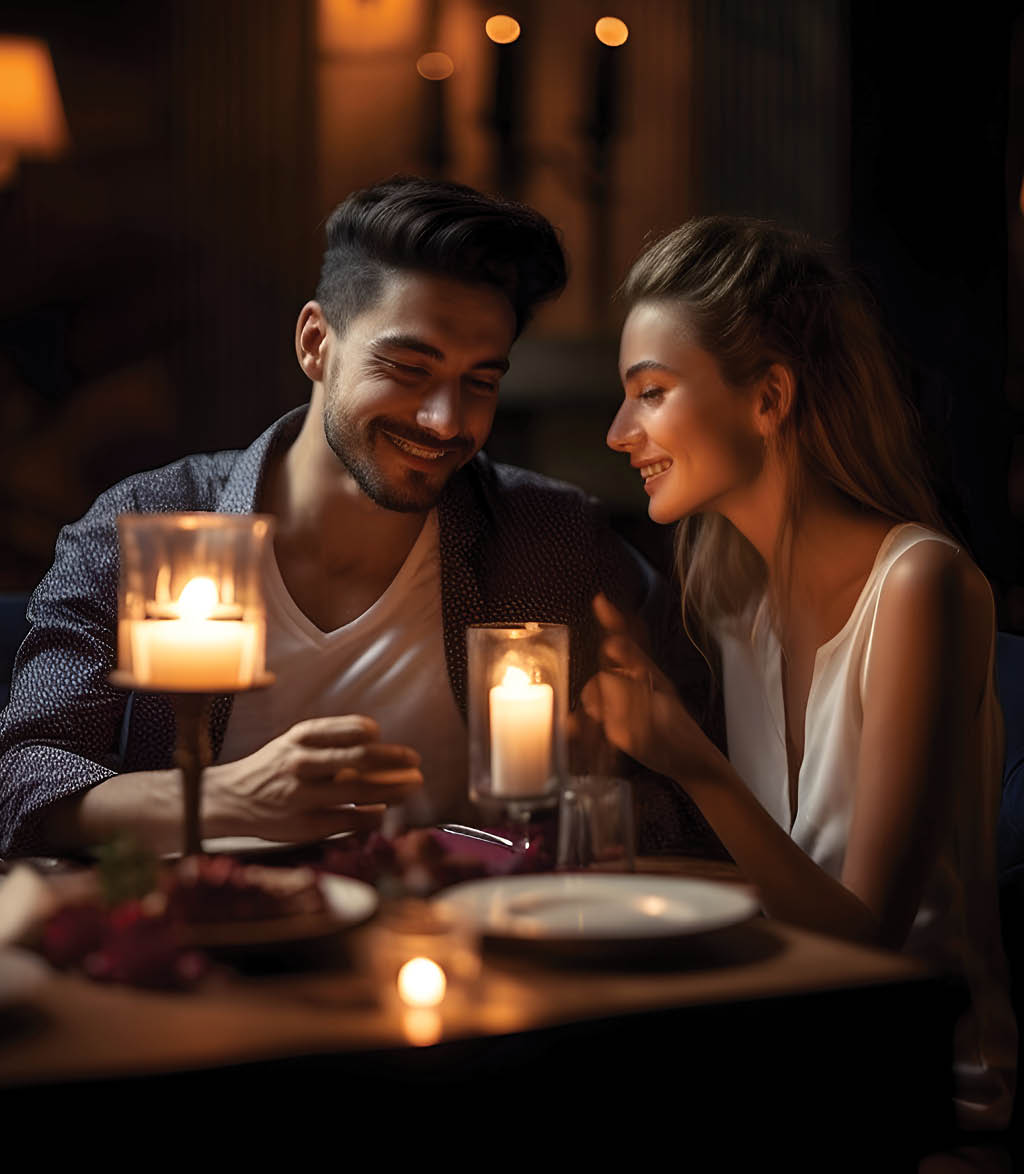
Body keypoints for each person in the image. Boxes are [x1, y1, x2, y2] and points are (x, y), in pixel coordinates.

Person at [0, 176, 710, 860]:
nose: (445, 419)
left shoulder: (549, 539)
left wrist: (588, 795)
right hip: (212, 949)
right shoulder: (149, 523)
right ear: (316, 343)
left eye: (481, 382)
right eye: (408, 368)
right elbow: (22, 779)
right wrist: (225, 798)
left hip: (475, 956)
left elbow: (697, 783)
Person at [583, 215, 1016, 1133]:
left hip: (922, 1089)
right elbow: (778, 886)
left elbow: (869, 942)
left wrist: (688, 761)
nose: (621, 432)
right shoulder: (732, 600)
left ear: (769, 397)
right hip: (794, 1051)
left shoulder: (918, 586)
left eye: (650, 393)